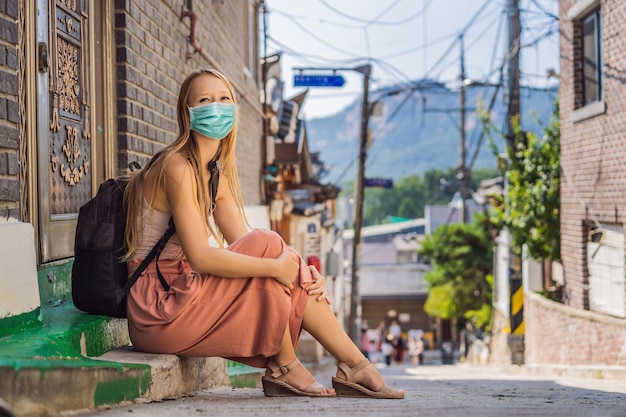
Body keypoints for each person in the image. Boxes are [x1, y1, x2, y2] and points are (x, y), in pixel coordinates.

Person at [122, 68, 404, 400]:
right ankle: (285, 366)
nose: (217, 107)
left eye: (224, 99)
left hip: (186, 295)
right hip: (158, 311)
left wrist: (298, 268)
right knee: (272, 249)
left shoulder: (214, 173)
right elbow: (202, 256)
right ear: (188, 112)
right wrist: (278, 265)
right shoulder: (176, 167)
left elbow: (245, 243)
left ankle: (355, 366)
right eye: (205, 100)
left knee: (280, 254)